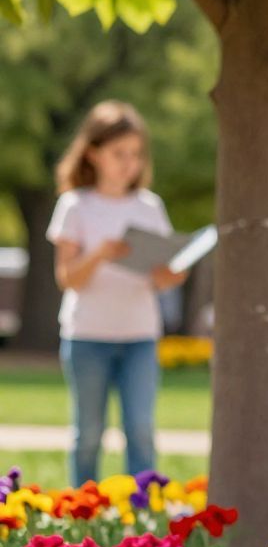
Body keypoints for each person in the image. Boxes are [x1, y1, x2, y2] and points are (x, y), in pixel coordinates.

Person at [46, 102, 188, 486]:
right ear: (94, 153)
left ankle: (140, 508)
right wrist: (99, 255)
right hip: (87, 337)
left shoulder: (149, 207)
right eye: (119, 154)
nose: (130, 164)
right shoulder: (75, 205)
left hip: (139, 336)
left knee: (140, 429)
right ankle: (84, 505)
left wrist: (170, 275)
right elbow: (67, 278)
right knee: (88, 435)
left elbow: (160, 276)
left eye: (136, 154)